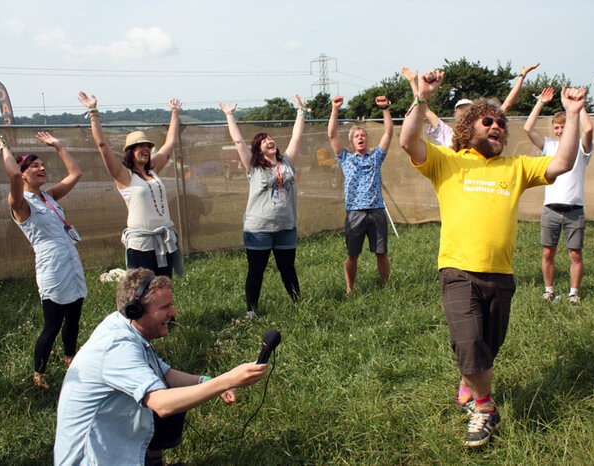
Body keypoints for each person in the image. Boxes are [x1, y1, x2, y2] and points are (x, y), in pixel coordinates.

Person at [399, 69, 586, 447]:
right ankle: (486, 409)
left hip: (501, 274)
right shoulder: (446, 162)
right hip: (457, 269)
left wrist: (575, 113)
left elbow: (562, 163)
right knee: (468, 343)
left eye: (502, 122)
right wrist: (422, 98)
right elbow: (407, 141)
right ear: (469, 128)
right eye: (489, 121)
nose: (497, 126)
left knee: (487, 346)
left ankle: (469, 387)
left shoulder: (515, 167)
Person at [54, 268, 268, 465]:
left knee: (168, 388)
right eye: (165, 307)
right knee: (169, 401)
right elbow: (162, 405)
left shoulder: (124, 325)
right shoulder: (117, 348)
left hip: (111, 450)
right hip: (89, 460)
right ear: (136, 310)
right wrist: (228, 380)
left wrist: (210, 382)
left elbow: (166, 375)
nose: (173, 313)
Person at [0, 132, 86, 389]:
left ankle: (70, 357)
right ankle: (38, 373)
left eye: (42, 164)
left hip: (70, 261)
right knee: (52, 324)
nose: (41, 168)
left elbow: (75, 175)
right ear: (23, 174)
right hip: (51, 266)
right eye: (34, 166)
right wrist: (4, 147)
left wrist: (59, 145)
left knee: (74, 316)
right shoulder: (21, 203)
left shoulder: (49, 196)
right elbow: (11, 174)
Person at [78, 92, 184, 278]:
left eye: (147, 146)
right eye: (139, 146)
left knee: (163, 289)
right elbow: (102, 145)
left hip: (163, 241)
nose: (145, 149)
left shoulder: (153, 170)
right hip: (141, 245)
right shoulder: (123, 175)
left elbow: (170, 143)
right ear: (130, 151)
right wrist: (93, 111)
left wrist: (175, 113)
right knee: (141, 292)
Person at [219, 96, 306, 318]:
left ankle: (298, 305)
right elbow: (238, 142)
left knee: (288, 269)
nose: (269, 141)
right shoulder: (253, 166)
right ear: (258, 148)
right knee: (256, 271)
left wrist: (301, 111)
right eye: (264, 140)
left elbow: (297, 137)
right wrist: (230, 115)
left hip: (286, 227)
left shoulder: (287, 162)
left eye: (271, 138)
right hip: (259, 229)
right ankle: (251, 311)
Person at [524, 87, 594, 305]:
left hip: (574, 210)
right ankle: (549, 290)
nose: (560, 131)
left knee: (575, 255)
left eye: (563, 127)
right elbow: (528, 128)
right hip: (551, 209)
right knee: (547, 253)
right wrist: (541, 103)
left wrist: (578, 106)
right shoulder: (549, 146)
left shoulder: (581, 148)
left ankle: (573, 294)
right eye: (556, 127)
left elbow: (589, 129)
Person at [327, 94, 393, 294]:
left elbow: (389, 133)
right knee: (352, 254)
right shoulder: (345, 157)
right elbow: (331, 135)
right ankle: (350, 289)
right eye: (356, 136)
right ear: (352, 142)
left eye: (363, 135)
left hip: (377, 211)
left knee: (381, 252)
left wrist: (385, 108)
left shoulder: (376, 156)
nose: (361, 138)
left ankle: (387, 286)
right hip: (355, 212)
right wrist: (335, 109)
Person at [401, 63, 540, 148]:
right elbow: (423, 106)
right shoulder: (448, 134)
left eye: (467, 109)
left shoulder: (486, 129)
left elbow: (507, 104)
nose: (463, 112)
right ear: (455, 114)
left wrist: (521, 76)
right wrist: (414, 82)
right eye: (460, 110)